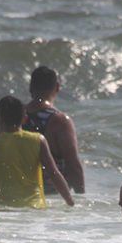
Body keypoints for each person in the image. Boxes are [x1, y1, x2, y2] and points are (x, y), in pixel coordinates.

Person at [0, 95, 74, 208]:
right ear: (24, 118)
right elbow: (54, 173)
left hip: (7, 210)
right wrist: (69, 201)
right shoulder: (37, 140)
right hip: (34, 208)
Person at [23, 66, 85, 194]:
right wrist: (82, 204)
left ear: (30, 87)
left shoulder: (12, 116)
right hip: (51, 203)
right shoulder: (59, 121)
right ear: (57, 87)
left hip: (17, 195)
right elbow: (73, 166)